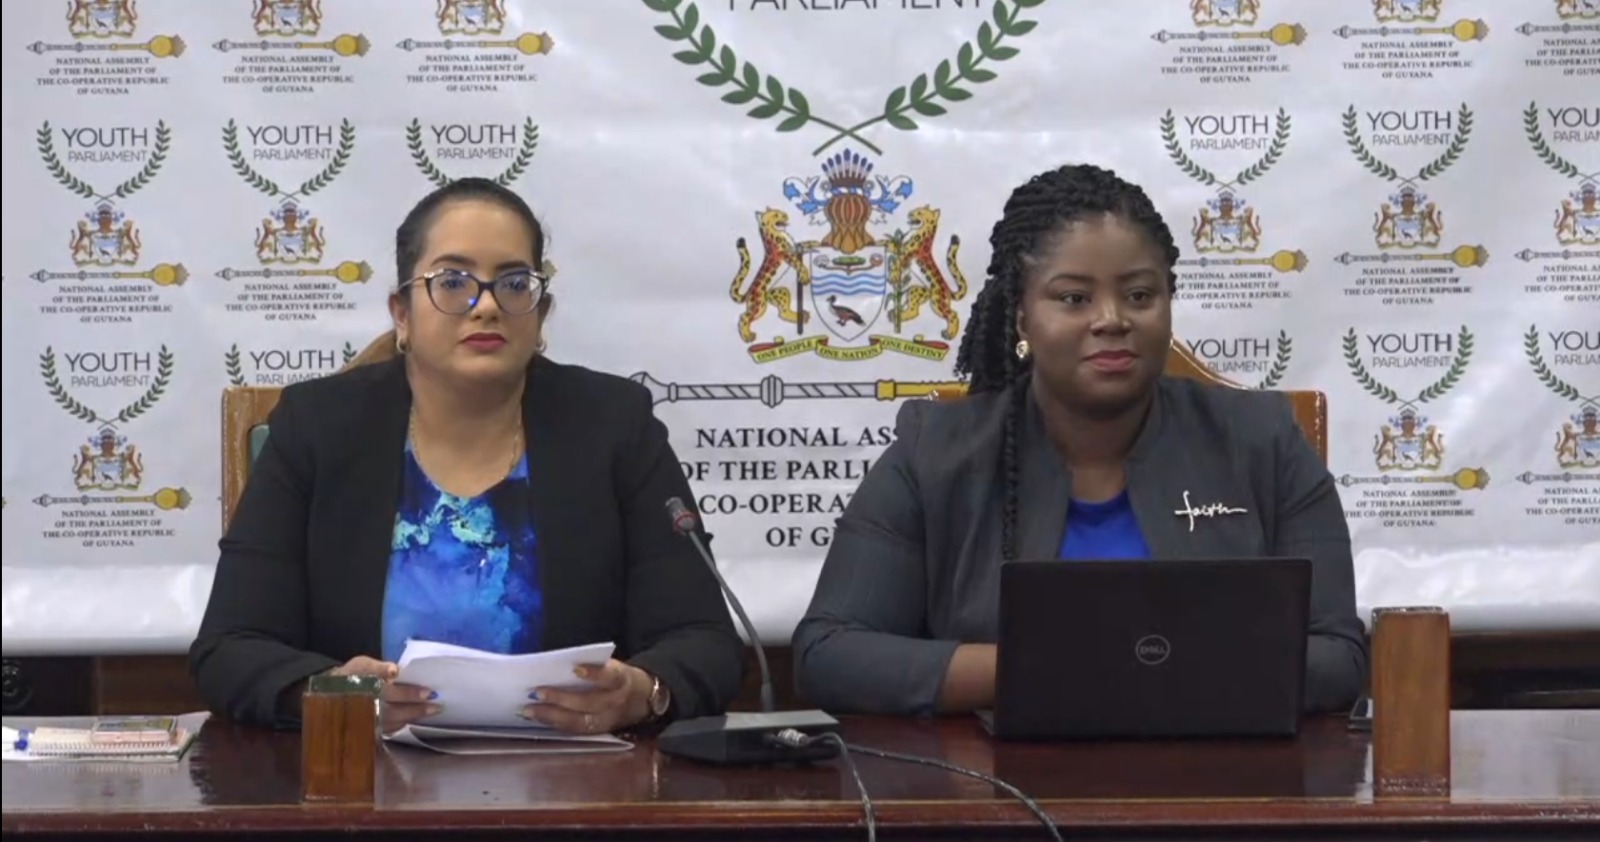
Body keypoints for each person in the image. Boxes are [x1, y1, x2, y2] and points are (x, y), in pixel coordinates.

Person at [791, 164, 1367, 718]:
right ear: (1021, 317)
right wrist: (1066, 669)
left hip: (1225, 776)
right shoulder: (934, 451)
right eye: (1074, 298)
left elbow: (1337, 656)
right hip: (994, 780)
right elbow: (831, 654)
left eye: (1139, 295)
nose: (1111, 319)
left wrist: (1124, 669)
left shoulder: (1262, 438)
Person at [190, 177, 744, 734]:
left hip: (574, 773)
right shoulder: (318, 425)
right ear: (402, 314)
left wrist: (644, 692)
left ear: (541, 313)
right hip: (366, 773)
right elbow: (230, 647)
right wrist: (338, 695)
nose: (486, 305)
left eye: (514, 283)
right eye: (453, 282)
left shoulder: (613, 425)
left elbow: (705, 639)